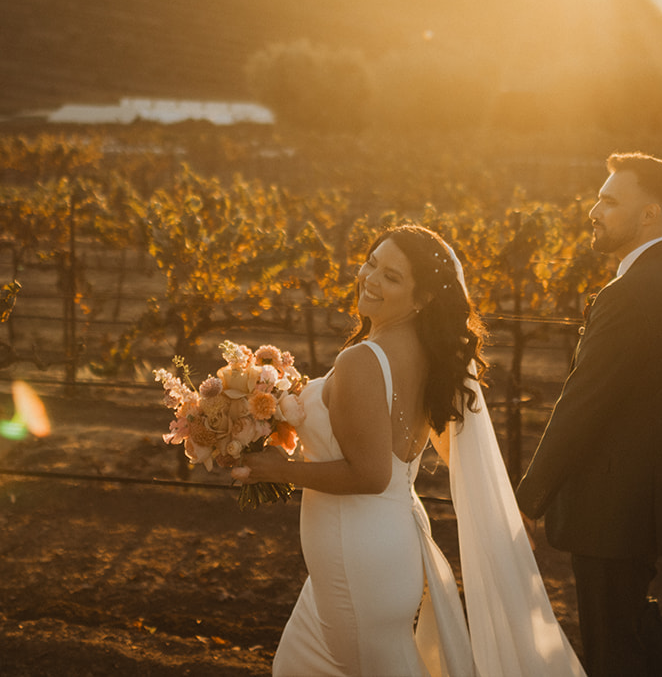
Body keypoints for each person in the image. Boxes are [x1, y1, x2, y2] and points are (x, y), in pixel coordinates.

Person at [237, 224, 584, 676]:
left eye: (392, 277)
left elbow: (371, 474)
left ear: (421, 300)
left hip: (357, 557)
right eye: (372, 263)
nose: (371, 279)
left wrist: (276, 470)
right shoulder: (427, 355)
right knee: (295, 666)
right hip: (370, 553)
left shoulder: (362, 360)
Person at [516, 153, 662, 677]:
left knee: (612, 645)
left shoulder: (626, 294)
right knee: (633, 622)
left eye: (610, 201)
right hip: (655, 502)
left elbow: (582, 404)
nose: (593, 210)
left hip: (609, 508)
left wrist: (528, 501)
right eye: (598, 197)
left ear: (649, 215)